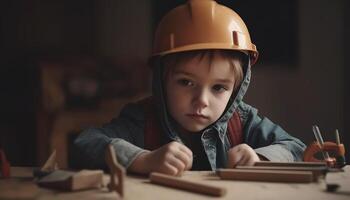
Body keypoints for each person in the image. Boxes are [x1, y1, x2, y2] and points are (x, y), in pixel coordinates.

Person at [74, 0, 305, 175]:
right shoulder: (141, 120)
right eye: (186, 82)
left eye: (218, 88)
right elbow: (86, 142)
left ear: (236, 88)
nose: (202, 100)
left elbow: (296, 147)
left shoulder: (243, 121)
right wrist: (143, 160)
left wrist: (260, 158)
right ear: (161, 79)